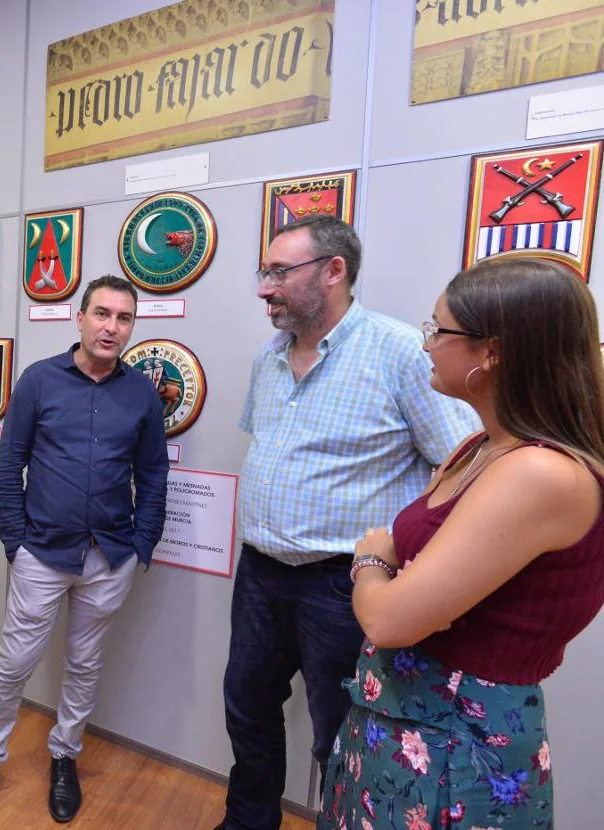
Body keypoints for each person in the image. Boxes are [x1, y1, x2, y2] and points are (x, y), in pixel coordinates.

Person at [320, 256, 604, 828]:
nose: (426, 344)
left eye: (438, 330)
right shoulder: (481, 448)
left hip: (455, 746)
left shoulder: (540, 474)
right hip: (399, 720)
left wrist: (371, 559)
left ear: (491, 353)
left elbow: (390, 620)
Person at [218, 215, 478, 830]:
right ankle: (249, 822)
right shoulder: (270, 357)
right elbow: (272, 450)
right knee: (248, 707)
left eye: (280, 272)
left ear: (334, 271)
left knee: (342, 729)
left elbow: (464, 465)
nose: (264, 287)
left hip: (342, 585)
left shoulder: (399, 353)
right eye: (265, 272)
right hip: (259, 572)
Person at [0, 275, 169, 827]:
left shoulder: (141, 392)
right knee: (14, 663)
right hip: (42, 553)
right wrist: (15, 540)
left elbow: (152, 473)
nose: (111, 327)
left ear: (131, 327)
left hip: (109, 556)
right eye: (102, 314)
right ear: (80, 317)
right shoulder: (38, 381)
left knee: (84, 664)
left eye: (123, 318)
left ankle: (65, 755)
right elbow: (10, 465)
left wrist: (143, 542)